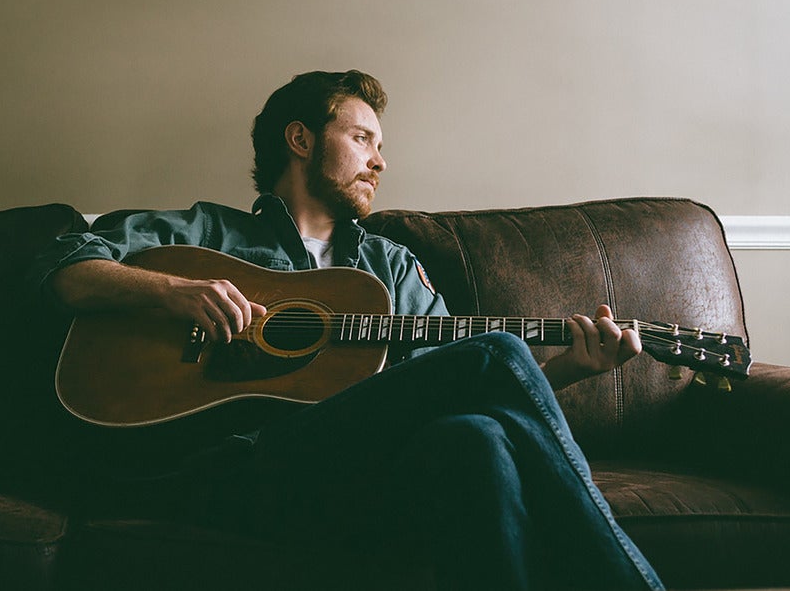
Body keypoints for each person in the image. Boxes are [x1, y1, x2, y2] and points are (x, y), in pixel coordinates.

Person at [35, 70, 664, 590]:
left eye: (379, 146)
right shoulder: (206, 233)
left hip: (354, 480)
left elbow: (462, 376)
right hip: (226, 464)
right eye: (362, 138)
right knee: (498, 353)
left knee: (476, 434)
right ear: (301, 139)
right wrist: (176, 291)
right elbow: (64, 265)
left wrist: (568, 369)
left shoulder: (389, 267)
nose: (380, 161)